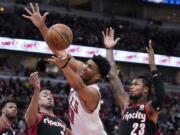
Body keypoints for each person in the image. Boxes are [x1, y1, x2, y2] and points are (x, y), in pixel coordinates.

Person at [23, 3, 111, 135]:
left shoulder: (93, 93)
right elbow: (58, 49)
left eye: (89, 67)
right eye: (86, 64)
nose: (84, 67)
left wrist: (64, 66)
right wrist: (42, 27)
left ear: (97, 76)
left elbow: (79, 86)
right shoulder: (82, 71)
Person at [103, 27, 165, 135]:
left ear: (145, 89)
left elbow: (160, 95)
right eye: (131, 84)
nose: (131, 87)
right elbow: (113, 76)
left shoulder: (150, 108)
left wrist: (153, 67)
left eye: (136, 84)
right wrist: (109, 49)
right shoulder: (126, 104)